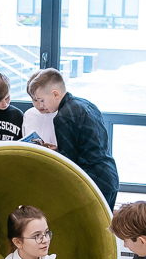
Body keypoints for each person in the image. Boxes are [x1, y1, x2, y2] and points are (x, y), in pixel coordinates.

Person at [26, 68, 118, 207]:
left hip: (91, 181)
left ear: (55, 94)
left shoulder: (63, 117)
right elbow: (88, 145)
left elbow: (68, 163)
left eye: (42, 100)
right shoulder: (86, 104)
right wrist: (59, 149)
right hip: (109, 176)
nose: (41, 105)